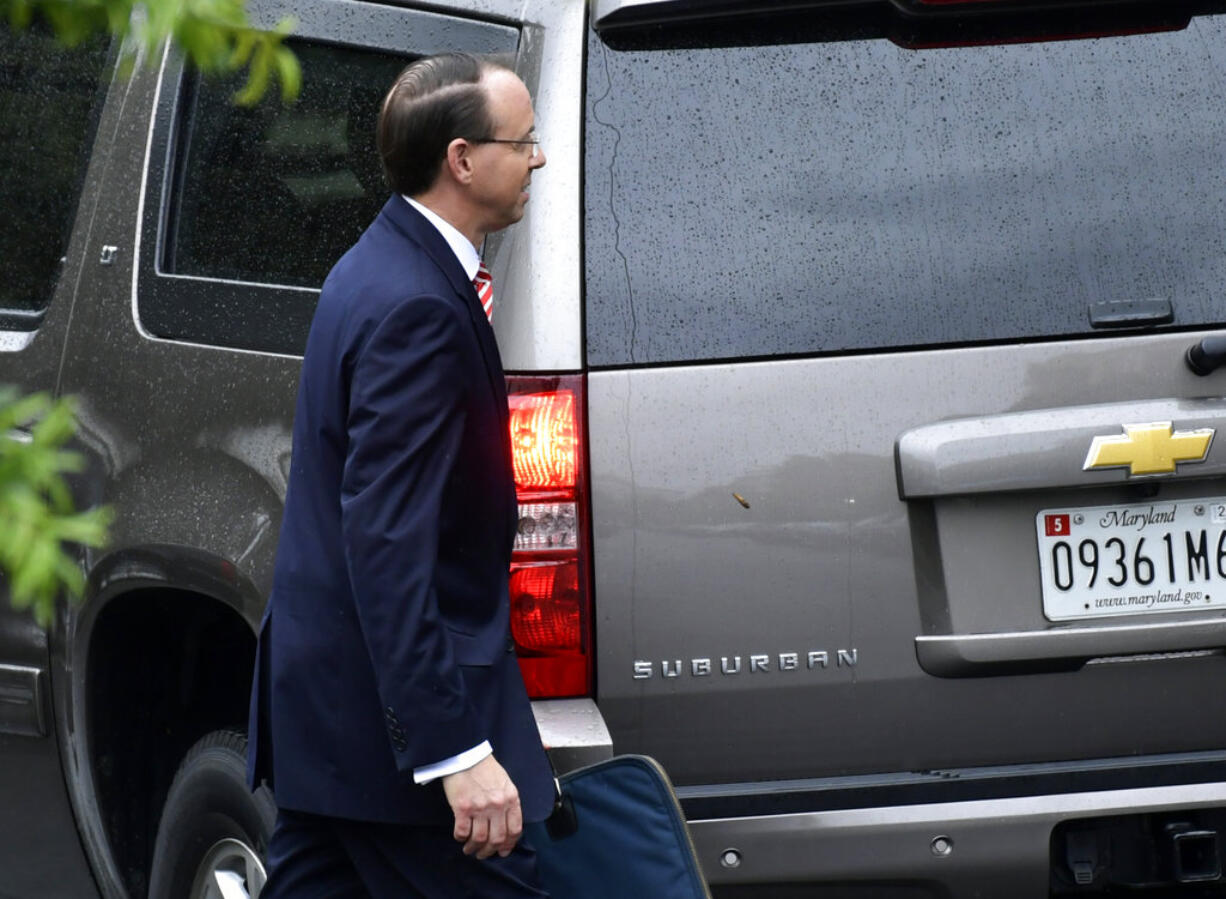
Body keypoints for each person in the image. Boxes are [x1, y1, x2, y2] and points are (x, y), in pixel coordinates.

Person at [246, 52, 553, 897]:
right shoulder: (419, 304)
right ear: (462, 158)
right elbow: (386, 541)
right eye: (523, 141)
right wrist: (454, 752)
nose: (538, 158)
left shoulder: (375, 261)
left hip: (331, 722)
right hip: (399, 756)